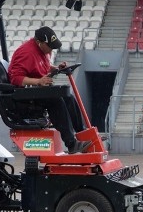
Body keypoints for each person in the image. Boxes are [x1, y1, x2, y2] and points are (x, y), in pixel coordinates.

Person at [7, 26, 90, 154]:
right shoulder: (26, 53)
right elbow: (16, 78)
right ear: (40, 43)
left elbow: (42, 65)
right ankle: (71, 144)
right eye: (50, 46)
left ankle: (83, 133)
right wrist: (38, 81)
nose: (52, 49)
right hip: (25, 96)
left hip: (37, 90)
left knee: (68, 97)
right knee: (56, 101)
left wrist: (56, 68)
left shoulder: (43, 50)